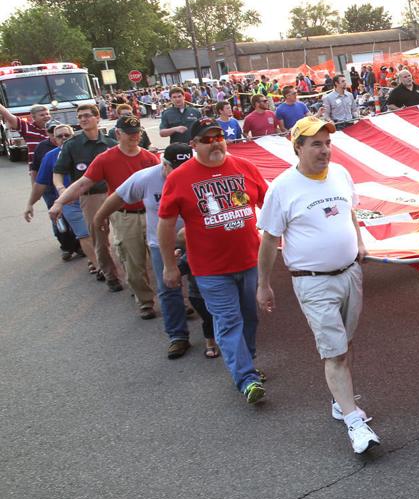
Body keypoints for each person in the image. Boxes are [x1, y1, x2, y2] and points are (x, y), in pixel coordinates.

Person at [257, 117, 378, 453]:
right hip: (312, 282)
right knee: (335, 352)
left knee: (346, 343)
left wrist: (360, 242)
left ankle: (341, 403)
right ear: (298, 148)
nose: (325, 150)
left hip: (351, 273)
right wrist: (264, 284)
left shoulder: (340, 174)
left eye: (327, 143)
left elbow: (350, 212)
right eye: (316, 144)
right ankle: (354, 423)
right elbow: (269, 239)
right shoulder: (282, 187)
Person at [158, 118, 270, 403]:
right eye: (207, 139)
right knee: (228, 321)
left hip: (249, 261)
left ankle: (247, 362)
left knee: (249, 318)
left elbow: (270, 207)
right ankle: (246, 378)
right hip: (210, 270)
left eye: (219, 136)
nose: (216, 142)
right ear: (194, 145)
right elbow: (166, 224)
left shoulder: (245, 167)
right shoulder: (179, 177)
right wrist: (169, 265)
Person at [94, 143, 197, 358]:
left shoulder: (197, 173)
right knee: (169, 287)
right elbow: (117, 197)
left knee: (202, 287)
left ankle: (213, 334)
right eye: (175, 168)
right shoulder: (146, 178)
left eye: (185, 166)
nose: (181, 173)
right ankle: (178, 336)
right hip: (162, 243)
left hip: (196, 241)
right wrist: (99, 219)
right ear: (164, 164)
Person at [51, 115, 160, 316]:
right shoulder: (105, 159)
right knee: (133, 261)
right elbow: (83, 183)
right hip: (125, 215)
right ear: (118, 134)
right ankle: (145, 301)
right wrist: (60, 202)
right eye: (129, 134)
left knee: (162, 259)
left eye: (137, 133)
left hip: (152, 214)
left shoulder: (149, 158)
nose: (134, 137)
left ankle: (175, 300)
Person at [53, 104, 120, 287]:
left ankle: (129, 273)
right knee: (99, 237)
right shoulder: (72, 145)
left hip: (114, 194)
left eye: (87, 116)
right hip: (91, 197)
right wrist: (60, 189)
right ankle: (110, 275)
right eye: (80, 116)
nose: (83, 119)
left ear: (97, 118)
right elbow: (58, 172)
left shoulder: (111, 144)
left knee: (123, 235)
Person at [24, 123, 84, 261]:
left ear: (73, 136)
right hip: (65, 202)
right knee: (65, 230)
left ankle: (92, 257)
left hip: (88, 199)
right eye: (60, 136)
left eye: (67, 135)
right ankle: (69, 248)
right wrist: (30, 204)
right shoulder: (50, 157)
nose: (64, 138)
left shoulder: (84, 151)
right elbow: (40, 184)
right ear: (55, 140)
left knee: (90, 233)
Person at [0, 102, 51, 177]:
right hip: (38, 171)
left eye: (47, 114)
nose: (46, 116)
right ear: (33, 117)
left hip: (56, 168)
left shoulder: (56, 128)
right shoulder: (27, 128)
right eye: (42, 115)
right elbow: (8, 115)